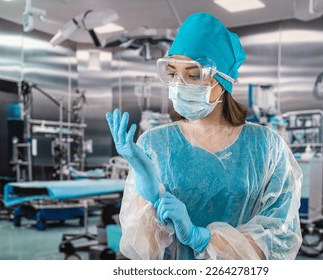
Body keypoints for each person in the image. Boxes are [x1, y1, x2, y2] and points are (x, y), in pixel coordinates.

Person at [106, 12, 302, 260]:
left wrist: (204, 239)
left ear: (223, 79)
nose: (179, 84)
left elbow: (278, 239)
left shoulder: (266, 147)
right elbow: (144, 252)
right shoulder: (154, 145)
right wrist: (149, 196)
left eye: (193, 74)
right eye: (173, 73)